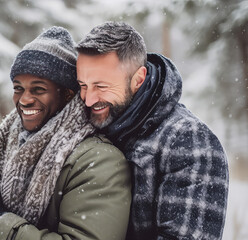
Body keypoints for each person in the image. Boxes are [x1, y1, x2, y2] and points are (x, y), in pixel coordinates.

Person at [75, 22, 229, 240]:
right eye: (83, 85)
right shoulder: (90, 125)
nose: (88, 99)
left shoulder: (189, 141)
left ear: (138, 79)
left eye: (101, 86)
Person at [0, 26, 131, 240]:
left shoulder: (98, 160)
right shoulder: (9, 149)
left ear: (67, 94)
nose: (24, 99)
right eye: (18, 88)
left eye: (38, 89)